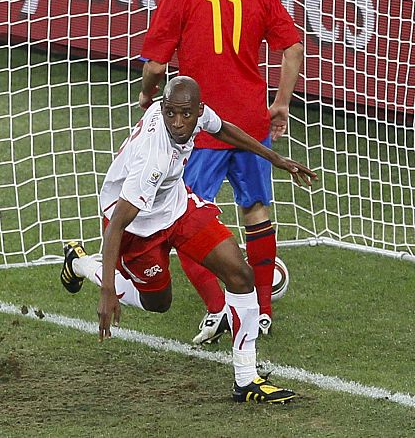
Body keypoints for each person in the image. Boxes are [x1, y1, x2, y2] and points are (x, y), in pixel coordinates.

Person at [60, 77, 315, 403]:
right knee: (158, 303)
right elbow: (117, 227)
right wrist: (107, 289)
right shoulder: (153, 160)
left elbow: (222, 129)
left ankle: (246, 378)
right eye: (171, 113)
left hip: (176, 207)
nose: (178, 123)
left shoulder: (194, 113)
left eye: (185, 114)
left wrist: (274, 158)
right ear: (163, 108)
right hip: (137, 229)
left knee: (240, 274)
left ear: (198, 110)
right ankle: (80, 263)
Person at [139, 0, 305, 343]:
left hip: (202, 126)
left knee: (182, 219)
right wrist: (280, 103)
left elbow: (156, 66)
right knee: (256, 211)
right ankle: (261, 312)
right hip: (250, 122)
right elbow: (292, 49)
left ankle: (219, 308)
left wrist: (146, 94)